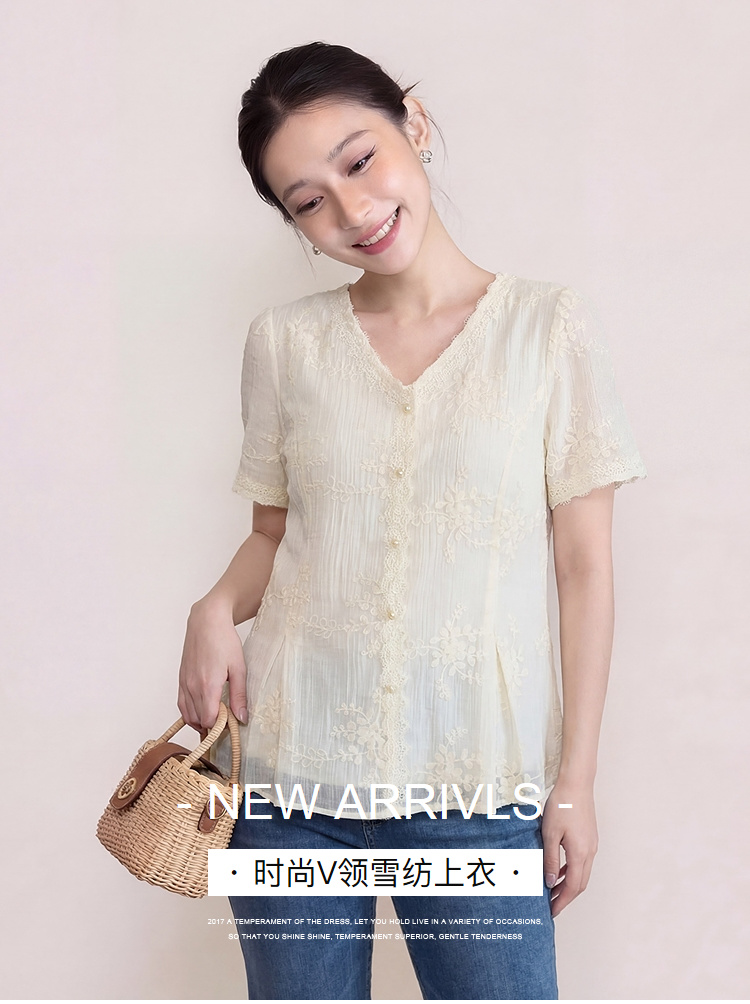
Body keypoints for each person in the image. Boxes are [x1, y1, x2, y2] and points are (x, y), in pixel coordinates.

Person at [177, 41, 647, 1001]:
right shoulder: (285, 346)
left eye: (360, 161)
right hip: (292, 785)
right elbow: (274, 535)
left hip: (478, 783)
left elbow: (585, 570)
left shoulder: (547, 329)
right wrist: (214, 608)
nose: (353, 211)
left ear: (414, 125)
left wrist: (575, 782)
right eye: (309, 202)